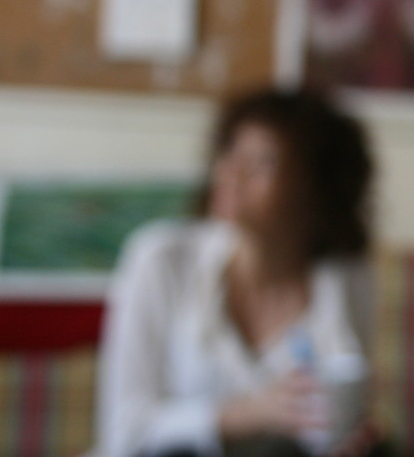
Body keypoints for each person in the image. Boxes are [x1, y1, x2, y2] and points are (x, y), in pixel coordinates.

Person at [94, 87, 381, 457]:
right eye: (231, 151)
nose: (232, 172)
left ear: (316, 189)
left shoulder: (348, 279)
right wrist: (251, 413)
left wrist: (348, 441)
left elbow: (340, 411)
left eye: (263, 161)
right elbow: (123, 432)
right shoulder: (161, 259)